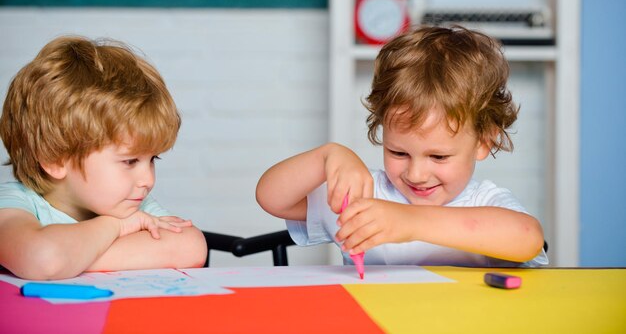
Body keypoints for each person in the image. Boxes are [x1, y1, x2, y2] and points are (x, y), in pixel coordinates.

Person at [256, 25, 548, 267]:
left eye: (438, 156)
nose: (417, 173)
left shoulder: (484, 202)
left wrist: (408, 222)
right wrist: (327, 156)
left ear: (484, 142)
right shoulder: (364, 195)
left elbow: (528, 238)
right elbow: (272, 198)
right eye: (398, 152)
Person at [0, 36, 207, 280]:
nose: (148, 180)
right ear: (54, 159)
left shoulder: (132, 206)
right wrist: (115, 226)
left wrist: (71, 260)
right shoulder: (14, 203)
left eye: (152, 159)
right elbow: (43, 259)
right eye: (129, 161)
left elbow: (190, 246)